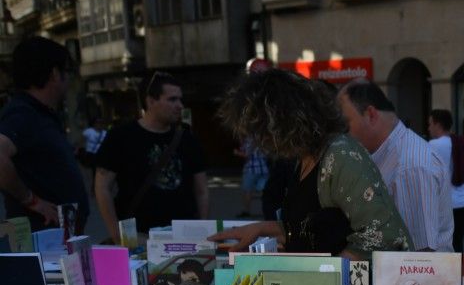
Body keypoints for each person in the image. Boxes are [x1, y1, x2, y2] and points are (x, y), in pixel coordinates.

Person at [206, 69, 411, 259]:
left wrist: (322, 278)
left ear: (285, 123)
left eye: (262, 131)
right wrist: (261, 228)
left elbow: (385, 236)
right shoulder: (303, 157)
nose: (261, 142)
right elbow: (311, 228)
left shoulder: (340, 154)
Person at [338, 81, 453, 252]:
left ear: (371, 114)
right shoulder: (394, 156)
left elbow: (418, 256)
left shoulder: (410, 167)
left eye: (346, 124)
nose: (343, 132)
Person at [94, 71, 207, 241]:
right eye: (172, 99)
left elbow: (202, 190)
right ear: (151, 101)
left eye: (180, 99)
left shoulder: (187, 139)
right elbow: (102, 187)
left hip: (183, 238)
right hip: (138, 237)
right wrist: (117, 234)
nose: (180, 105)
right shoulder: (121, 137)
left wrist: (202, 231)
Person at [0, 36, 88, 229]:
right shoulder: (23, 113)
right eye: (68, 71)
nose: (70, 79)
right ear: (55, 74)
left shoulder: (40, 113)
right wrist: (32, 201)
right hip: (43, 241)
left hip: (59, 239)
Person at [427, 108, 464, 253]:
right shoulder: (462, 144)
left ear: (437, 124)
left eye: (430, 124)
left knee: (442, 245)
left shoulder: (432, 145)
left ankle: (446, 274)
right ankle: (458, 273)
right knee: (458, 243)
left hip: (444, 204)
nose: (429, 128)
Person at [235, 137, 269, 217]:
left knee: (247, 190)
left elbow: (247, 154)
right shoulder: (263, 140)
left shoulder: (249, 140)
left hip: (251, 169)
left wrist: (237, 152)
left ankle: (246, 211)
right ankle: (267, 210)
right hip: (264, 169)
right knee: (263, 190)